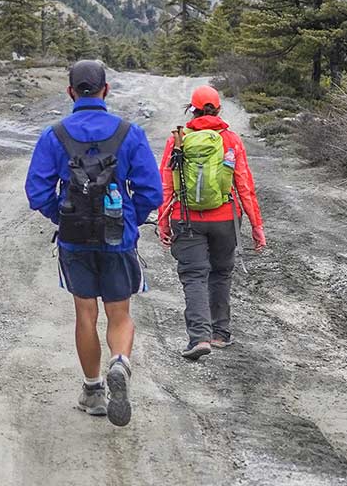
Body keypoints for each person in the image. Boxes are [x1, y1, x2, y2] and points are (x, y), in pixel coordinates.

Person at [25, 59, 161, 428]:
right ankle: (121, 362)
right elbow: (152, 191)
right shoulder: (129, 133)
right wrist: (131, 218)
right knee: (120, 314)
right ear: (106, 90)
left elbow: (36, 192)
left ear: (70, 92)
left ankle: (93, 389)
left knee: (85, 314)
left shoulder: (54, 134)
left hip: (75, 242)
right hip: (119, 239)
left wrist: (63, 215)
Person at [156, 84, 266, 359]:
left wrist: (162, 220)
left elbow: (166, 184)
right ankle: (220, 333)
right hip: (226, 218)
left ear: (191, 110)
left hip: (187, 217)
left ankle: (198, 338)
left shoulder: (178, 139)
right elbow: (244, 185)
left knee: (194, 276)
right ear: (218, 109)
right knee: (221, 273)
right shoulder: (231, 139)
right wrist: (256, 226)